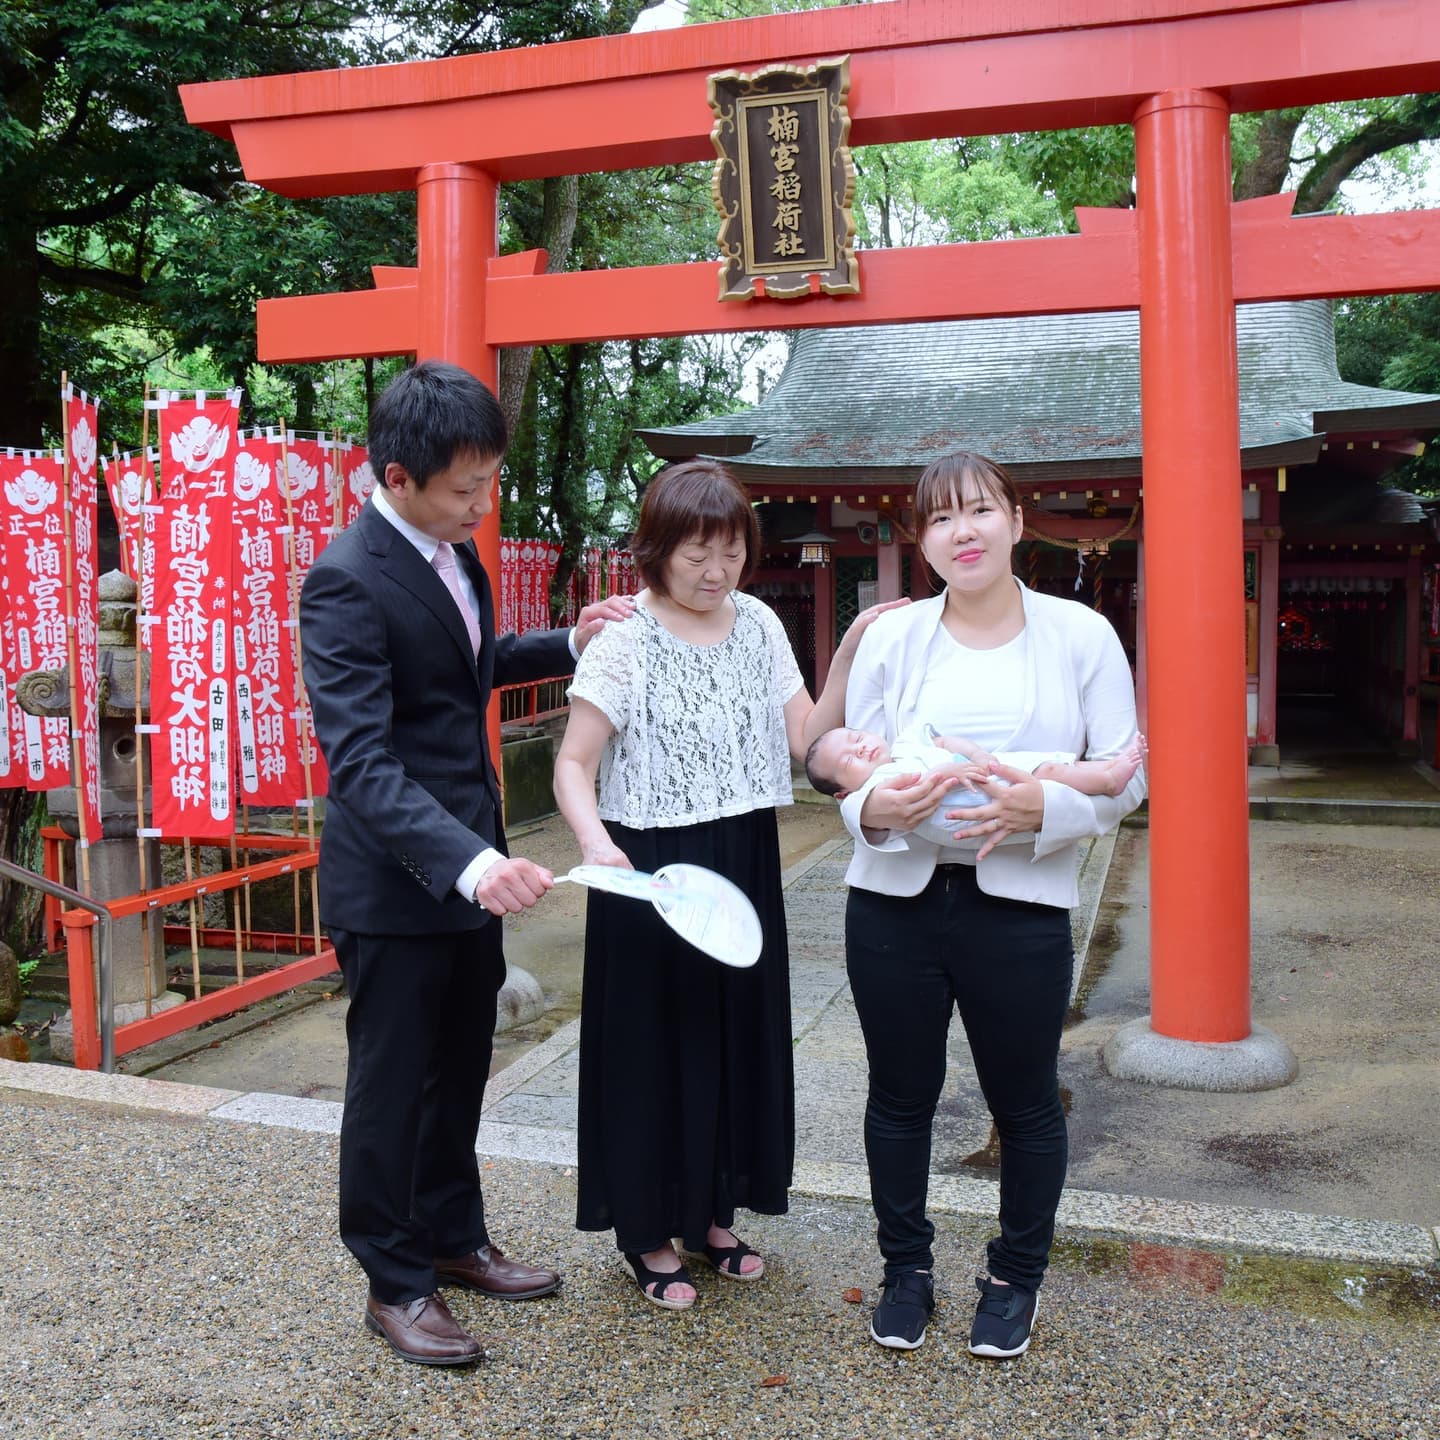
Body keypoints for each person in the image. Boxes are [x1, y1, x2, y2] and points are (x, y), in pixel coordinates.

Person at [299, 360, 635, 1367]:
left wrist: (566, 641)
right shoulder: (345, 577)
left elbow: (465, 666)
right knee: (393, 1086)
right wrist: (471, 862)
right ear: (397, 477)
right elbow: (360, 761)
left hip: (463, 876)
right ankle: (391, 1281)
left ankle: (453, 1239)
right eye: (464, 488)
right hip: (400, 884)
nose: (481, 504)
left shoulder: (450, 552)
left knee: (459, 1072)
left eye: (488, 483)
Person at [552, 458, 903, 1312]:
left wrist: (852, 649)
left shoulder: (757, 626)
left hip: (743, 855)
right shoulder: (626, 638)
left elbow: (807, 739)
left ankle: (713, 1215)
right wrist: (598, 846)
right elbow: (572, 763)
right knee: (653, 1045)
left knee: (729, 1036)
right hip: (649, 867)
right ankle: (646, 1231)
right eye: (697, 555)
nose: (717, 573)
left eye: (732, 552)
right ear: (659, 552)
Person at [836, 450, 1145, 1360]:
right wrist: (871, 811)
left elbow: (1126, 775)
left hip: (1019, 907)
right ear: (921, 538)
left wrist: (1040, 806)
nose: (960, 532)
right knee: (899, 1097)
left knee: (1024, 1103)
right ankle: (905, 1270)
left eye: (977, 511)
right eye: (939, 519)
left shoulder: (1080, 634)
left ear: (1016, 518)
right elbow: (853, 762)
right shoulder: (894, 637)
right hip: (894, 901)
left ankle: (1015, 1278)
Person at [805, 724, 1146, 848]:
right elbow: (924, 784)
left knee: (1052, 769)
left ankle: (1108, 774)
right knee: (1050, 771)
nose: (861, 747)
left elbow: (947, 741)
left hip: (991, 782)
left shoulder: (907, 745)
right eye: (849, 760)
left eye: (856, 736)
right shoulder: (876, 783)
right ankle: (1108, 777)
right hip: (965, 820)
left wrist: (977, 755)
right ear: (844, 793)